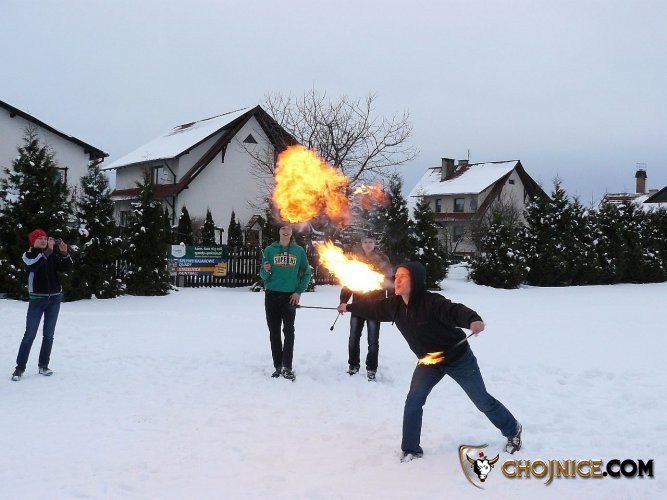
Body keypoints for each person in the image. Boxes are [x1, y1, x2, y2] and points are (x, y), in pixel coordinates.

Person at [337, 261, 522, 462]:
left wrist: (472, 319)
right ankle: (411, 449)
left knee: (481, 400)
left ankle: (513, 429)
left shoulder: (432, 302)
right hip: (429, 361)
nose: (397, 280)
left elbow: (454, 310)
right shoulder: (394, 305)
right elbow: (373, 307)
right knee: (413, 401)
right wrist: (349, 306)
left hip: (457, 358)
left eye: (403, 277)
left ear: (415, 280)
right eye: (396, 276)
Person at [12, 229, 73, 381]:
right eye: (39, 238)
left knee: (49, 335)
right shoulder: (28, 255)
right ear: (33, 241)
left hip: (54, 300)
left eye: (45, 238)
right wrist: (48, 251)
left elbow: (67, 268)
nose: (43, 240)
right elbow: (34, 265)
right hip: (37, 300)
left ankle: (43, 365)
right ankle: (19, 368)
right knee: (30, 335)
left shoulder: (51, 255)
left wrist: (64, 253)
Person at [259, 224, 312, 381]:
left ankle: (287, 367)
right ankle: (278, 366)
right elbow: (263, 275)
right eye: (283, 228)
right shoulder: (270, 250)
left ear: (291, 231)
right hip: (271, 295)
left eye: (288, 228)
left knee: (289, 332)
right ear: (279, 231)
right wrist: (266, 270)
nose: (285, 230)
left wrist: (298, 292)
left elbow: (307, 272)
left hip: (290, 297)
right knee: (274, 332)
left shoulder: (299, 251)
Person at [338, 235, 392, 381]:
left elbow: (389, 282)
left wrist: (390, 304)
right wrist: (343, 301)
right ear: (361, 244)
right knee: (353, 338)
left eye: (370, 242)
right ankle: (353, 365)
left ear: (374, 244)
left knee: (373, 341)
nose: (368, 244)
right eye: (365, 242)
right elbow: (348, 282)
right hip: (357, 305)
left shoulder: (382, 259)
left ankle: (371, 369)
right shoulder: (355, 259)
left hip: (375, 306)